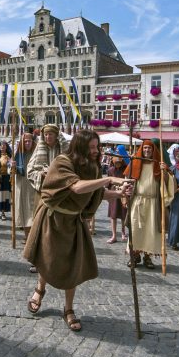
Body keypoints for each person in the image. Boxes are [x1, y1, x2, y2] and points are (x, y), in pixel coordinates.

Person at [22, 129, 131, 332]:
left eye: (97, 147)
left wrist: (119, 192)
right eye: (91, 147)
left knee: (73, 265)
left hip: (73, 221)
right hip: (52, 218)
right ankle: (39, 290)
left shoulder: (92, 168)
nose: (96, 151)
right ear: (79, 146)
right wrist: (108, 178)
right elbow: (78, 187)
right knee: (47, 259)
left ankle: (69, 309)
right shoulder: (63, 162)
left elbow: (97, 193)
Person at [123, 140, 172, 269]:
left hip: (153, 203)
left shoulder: (159, 165)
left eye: (149, 149)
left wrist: (164, 172)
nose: (147, 151)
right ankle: (134, 257)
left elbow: (168, 183)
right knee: (136, 230)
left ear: (153, 150)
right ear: (142, 149)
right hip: (138, 202)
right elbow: (127, 180)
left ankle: (148, 257)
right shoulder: (136, 162)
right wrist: (125, 196)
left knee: (151, 231)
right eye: (144, 149)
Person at [11, 131, 37, 242]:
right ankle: (27, 236)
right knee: (24, 212)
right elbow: (11, 172)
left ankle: (33, 236)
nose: (27, 143)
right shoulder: (17, 155)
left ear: (32, 142)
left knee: (32, 212)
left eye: (29, 141)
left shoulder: (37, 154)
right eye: (25, 141)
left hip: (33, 186)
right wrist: (12, 166)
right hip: (20, 186)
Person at [105, 154, 128, 244]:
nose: (117, 164)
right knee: (113, 215)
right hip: (113, 195)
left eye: (119, 162)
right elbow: (107, 183)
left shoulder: (126, 169)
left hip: (123, 195)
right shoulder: (111, 170)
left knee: (123, 214)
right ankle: (114, 235)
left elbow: (127, 180)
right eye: (116, 163)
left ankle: (123, 233)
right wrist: (111, 185)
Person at [0, 141, 12, 221]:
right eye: (1, 145)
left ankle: (4, 212)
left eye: (4, 145)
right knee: (0, 196)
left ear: (6, 147)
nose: (3, 147)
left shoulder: (10, 156)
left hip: (7, 178)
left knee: (6, 195)